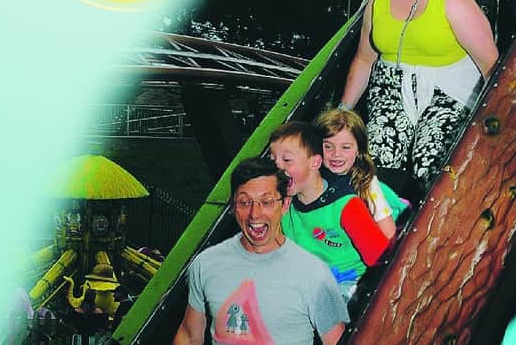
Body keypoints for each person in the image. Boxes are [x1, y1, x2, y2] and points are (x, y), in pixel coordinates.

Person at [339, 0, 499, 197]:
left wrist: (493, 124)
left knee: (430, 163)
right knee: (374, 166)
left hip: (447, 92)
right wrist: (343, 111)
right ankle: (380, 230)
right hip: (391, 89)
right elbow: (364, 59)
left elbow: (491, 67)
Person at [173, 157, 348, 345]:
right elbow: (189, 336)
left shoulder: (314, 274)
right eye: (244, 202)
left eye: (266, 202)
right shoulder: (206, 263)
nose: (255, 213)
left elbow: (338, 340)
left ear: (285, 205)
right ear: (233, 205)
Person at [269, 121, 390, 301]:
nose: (277, 168)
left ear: (315, 162)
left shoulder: (345, 206)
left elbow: (383, 261)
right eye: (273, 161)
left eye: (287, 160)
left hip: (350, 285)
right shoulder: (284, 206)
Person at [314, 109, 409, 240]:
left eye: (345, 147)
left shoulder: (367, 183)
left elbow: (388, 232)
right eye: (328, 146)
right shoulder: (314, 177)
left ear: (359, 150)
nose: (336, 154)